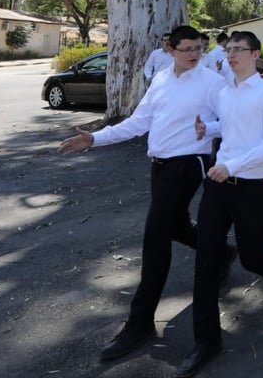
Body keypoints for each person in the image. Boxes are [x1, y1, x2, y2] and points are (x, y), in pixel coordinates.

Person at [56, 25, 232, 363]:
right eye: (188, 49)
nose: (195, 54)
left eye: (200, 48)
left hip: (188, 165)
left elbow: (234, 120)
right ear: (170, 49)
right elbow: (138, 123)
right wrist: (94, 138)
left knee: (155, 240)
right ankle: (223, 252)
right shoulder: (162, 80)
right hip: (161, 167)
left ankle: (140, 323)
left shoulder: (212, 83)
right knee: (176, 226)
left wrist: (209, 131)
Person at [178, 31, 263, 378]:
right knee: (206, 260)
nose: (230, 55)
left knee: (252, 257)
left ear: (255, 54)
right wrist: (207, 128)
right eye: (227, 49)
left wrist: (231, 166)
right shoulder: (223, 91)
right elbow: (231, 128)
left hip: (252, 188)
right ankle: (206, 342)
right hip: (218, 187)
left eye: (238, 50)